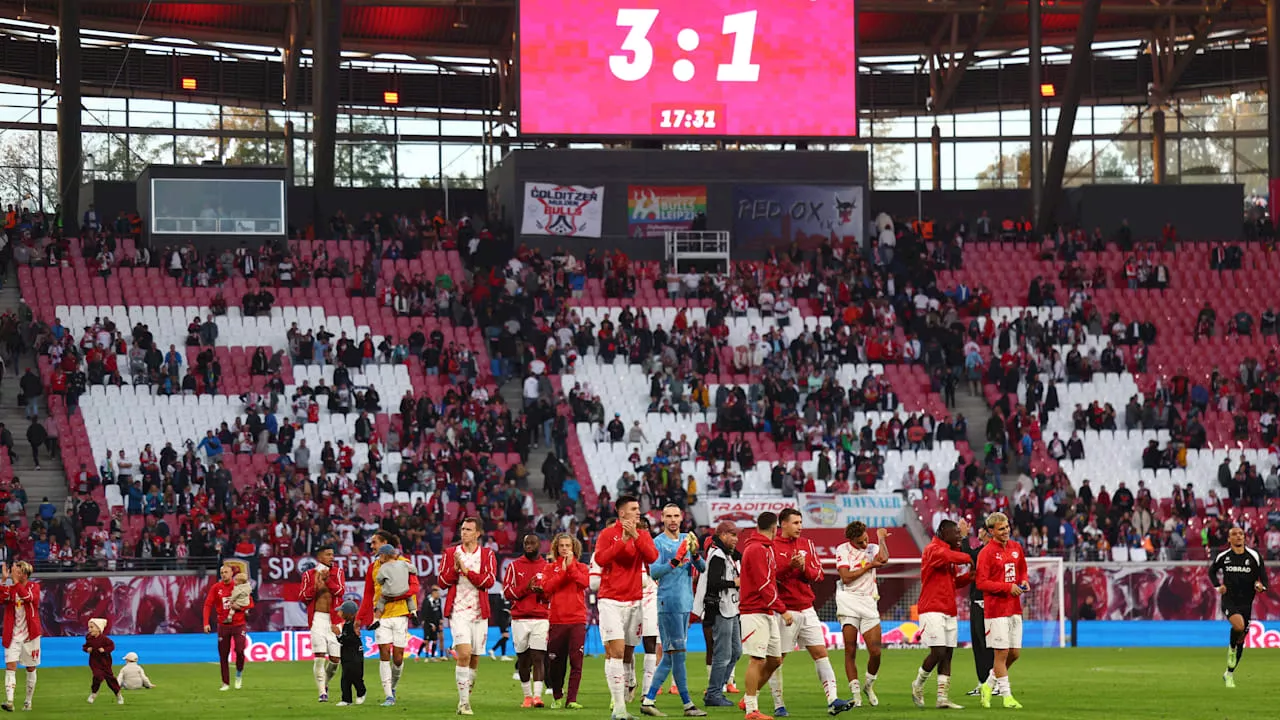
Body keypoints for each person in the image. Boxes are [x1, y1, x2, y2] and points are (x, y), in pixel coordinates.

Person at [769, 508, 852, 716]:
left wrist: (804, 567)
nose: (800, 526)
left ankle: (833, 700)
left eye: (800, 522)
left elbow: (819, 575)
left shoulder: (807, 544)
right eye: (795, 523)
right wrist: (790, 566)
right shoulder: (772, 546)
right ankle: (778, 704)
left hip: (807, 608)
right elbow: (770, 577)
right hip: (784, 611)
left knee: (820, 654)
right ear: (783, 524)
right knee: (777, 659)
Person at [594, 494, 659, 720]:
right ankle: (619, 708)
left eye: (638, 508)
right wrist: (622, 541)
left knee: (628, 652)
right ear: (622, 513)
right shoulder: (607, 534)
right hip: (611, 600)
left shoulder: (642, 534)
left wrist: (634, 537)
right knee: (617, 650)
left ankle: (622, 701)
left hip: (635, 601)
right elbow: (601, 560)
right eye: (633, 508)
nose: (638, 512)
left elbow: (652, 557)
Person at [640, 504, 707, 717]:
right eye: (668, 516)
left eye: (676, 516)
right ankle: (685, 704)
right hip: (668, 604)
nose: (672, 520)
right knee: (677, 656)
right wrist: (676, 560)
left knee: (672, 657)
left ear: (681, 517)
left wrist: (695, 554)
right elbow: (654, 572)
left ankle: (650, 700)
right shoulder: (657, 543)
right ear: (662, 518)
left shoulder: (688, 538)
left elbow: (703, 568)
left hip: (685, 603)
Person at [910, 519, 973, 710]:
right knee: (937, 651)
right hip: (931, 608)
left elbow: (952, 582)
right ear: (944, 532)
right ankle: (918, 684)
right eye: (955, 533)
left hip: (948, 609)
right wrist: (969, 556)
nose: (958, 536)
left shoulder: (948, 554)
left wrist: (970, 577)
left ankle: (942, 698)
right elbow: (949, 556)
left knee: (947, 655)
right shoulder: (933, 549)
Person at [438, 517, 498, 716]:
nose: (464, 532)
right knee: (463, 654)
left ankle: (466, 697)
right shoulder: (450, 553)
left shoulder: (487, 555)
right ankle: (464, 704)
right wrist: (455, 572)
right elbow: (442, 581)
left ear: (478, 533)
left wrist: (467, 571)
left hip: (480, 613)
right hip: (458, 612)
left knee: (474, 659)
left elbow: (488, 581)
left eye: (468, 529)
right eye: (462, 529)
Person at [356, 531, 420, 707]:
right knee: (384, 652)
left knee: (398, 658)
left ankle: (393, 687)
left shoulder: (404, 563)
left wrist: (394, 595)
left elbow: (414, 587)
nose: (371, 546)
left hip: (400, 613)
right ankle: (388, 696)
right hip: (381, 615)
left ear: (384, 544)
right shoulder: (373, 567)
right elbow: (368, 595)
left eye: (374, 542)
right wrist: (359, 618)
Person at [738, 512, 789, 720]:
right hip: (754, 611)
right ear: (775, 528)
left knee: (775, 660)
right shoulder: (758, 549)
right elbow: (763, 584)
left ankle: (747, 698)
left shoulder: (763, 548)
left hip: (765, 611)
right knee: (757, 659)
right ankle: (751, 709)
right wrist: (782, 609)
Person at [834, 522, 889, 708]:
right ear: (851, 541)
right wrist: (869, 566)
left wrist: (881, 538)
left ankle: (868, 685)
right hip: (848, 601)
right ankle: (855, 693)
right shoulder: (842, 549)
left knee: (876, 651)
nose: (865, 544)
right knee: (850, 650)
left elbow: (884, 559)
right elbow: (846, 578)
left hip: (868, 602)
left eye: (866, 539)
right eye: (860, 542)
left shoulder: (873, 547)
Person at [976, 512, 1028, 709]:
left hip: (1014, 607)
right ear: (991, 531)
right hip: (996, 609)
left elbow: (1022, 569)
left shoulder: (1016, 548)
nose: (1006, 531)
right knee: (1001, 654)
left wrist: (1024, 581)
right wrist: (1007, 587)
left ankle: (987, 686)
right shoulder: (986, 553)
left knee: (1014, 653)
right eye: (1001, 529)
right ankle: (1007, 696)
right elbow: (981, 582)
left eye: (1007, 527)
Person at [1209, 526, 1268, 687]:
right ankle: (1232, 648)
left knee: (1242, 638)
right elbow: (1211, 571)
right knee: (1239, 625)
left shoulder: (1255, 556)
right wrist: (1217, 586)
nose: (1238, 536)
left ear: (1244, 537)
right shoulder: (1224, 556)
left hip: (1246, 604)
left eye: (1241, 534)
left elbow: (1264, 580)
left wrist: (1260, 586)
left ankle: (1229, 674)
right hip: (1229, 600)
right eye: (1234, 534)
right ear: (1229, 539)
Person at [695, 521, 741, 709]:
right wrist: (734, 583)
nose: (736, 539)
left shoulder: (724, 554)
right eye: (732, 535)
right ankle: (714, 693)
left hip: (731, 608)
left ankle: (715, 689)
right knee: (722, 654)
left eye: (737, 535)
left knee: (736, 652)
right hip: (720, 609)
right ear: (722, 535)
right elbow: (713, 583)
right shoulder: (718, 555)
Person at [503, 534, 551, 708]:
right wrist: (527, 588)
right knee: (523, 659)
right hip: (519, 618)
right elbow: (507, 592)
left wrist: (542, 592)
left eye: (532, 543)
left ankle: (538, 697)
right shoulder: (514, 566)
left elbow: (551, 593)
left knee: (538, 657)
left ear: (540, 545)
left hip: (541, 617)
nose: (529, 546)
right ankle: (527, 696)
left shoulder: (547, 567)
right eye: (526, 543)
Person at [544, 533, 590, 709]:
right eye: (561, 545)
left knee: (576, 661)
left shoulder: (581, 567)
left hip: (577, 619)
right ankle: (557, 696)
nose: (564, 548)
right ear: (556, 548)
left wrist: (570, 568)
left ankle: (572, 699)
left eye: (568, 546)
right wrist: (563, 571)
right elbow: (547, 588)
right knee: (556, 662)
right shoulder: (550, 568)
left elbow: (584, 582)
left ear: (574, 548)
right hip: (557, 620)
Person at [299, 546, 346, 703]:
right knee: (319, 657)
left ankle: (324, 684)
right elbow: (303, 597)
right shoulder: (308, 575)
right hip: (317, 619)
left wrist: (327, 580)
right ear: (319, 557)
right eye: (328, 554)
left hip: (335, 620)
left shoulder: (338, 573)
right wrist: (314, 587)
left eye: (333, 554)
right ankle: (321, 693)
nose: (332, 557)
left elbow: (340, 591)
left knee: (335, 661)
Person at [201, 561, 252, 691]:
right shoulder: (216, 588)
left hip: (239, 624)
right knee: (223, 654)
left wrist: (239, 607)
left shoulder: (240, 586)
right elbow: (207, 605)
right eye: (222, 573)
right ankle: (225, 683)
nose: (224, 574)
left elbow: (250, 604)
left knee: (240, 651)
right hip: (223, 626)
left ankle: (239, 674)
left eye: (226, 572)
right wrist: (206, 623)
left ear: (232, 573)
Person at [0, 561, 41, 712]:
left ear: (23, 573)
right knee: (10, 666)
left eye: (16, 570)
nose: (13, 572)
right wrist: (4, 581)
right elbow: (2, 599)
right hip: (12, 635)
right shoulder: (11, 588)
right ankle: (9, 701)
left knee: (31, 667)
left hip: (30, 635)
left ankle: (28, 701)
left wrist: (15, 583)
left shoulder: (34, 587)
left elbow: (28, 598)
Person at [962, 526, 995, 696]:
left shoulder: (989, 550)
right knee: (978, 644)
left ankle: (993, 682)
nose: (979, 532)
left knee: (986, 644)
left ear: (989, 533)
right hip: (977, 601)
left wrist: (964, 535)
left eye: (981, 529)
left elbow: (968, 555)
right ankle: (983, 683)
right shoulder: (983, 549)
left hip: (986, 602)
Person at [83, 618, 122, 705]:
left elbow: (112, 646)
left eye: (92, 627)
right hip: (94, 662)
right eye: (89, 627)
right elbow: (85, 646)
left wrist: (104, 650)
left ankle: (118, 694)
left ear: (98, 628)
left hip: (105, 662)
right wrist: (87, 649)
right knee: (97, 676)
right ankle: (94, 693)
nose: (89, 629)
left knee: (110, 679)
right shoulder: (89, 638)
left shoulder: (105, 639)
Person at [336, 601, 367, 706]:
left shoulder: (354, 625)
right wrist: (339, 636)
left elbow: (349, 640)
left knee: (356, 676)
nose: (340, 613)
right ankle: (346, 699)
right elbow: (343, 640)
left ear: (349, 613)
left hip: (355, 656)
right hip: (346, 656)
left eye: (342, 611)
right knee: (345, 678)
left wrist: (338, 635)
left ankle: (361, 692)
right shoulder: (347, 624)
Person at [416, 586, 445, 661]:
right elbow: (425, 613)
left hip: (436, 622)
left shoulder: (438, 600)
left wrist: (440, 620)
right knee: (426, 640)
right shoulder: (427, 601)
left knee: (436, 639)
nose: (438, 594)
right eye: (437, 593)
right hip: (428, 623)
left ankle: (434, 656)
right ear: (433, 593)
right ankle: (423, 656)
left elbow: (439, 610)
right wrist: (430, 624)